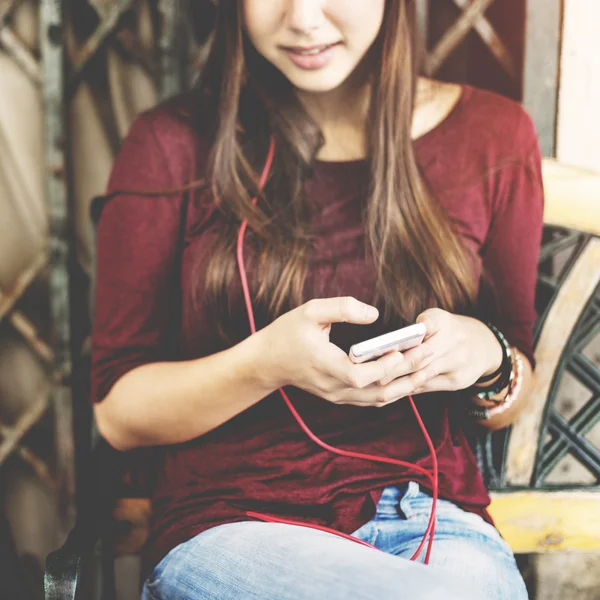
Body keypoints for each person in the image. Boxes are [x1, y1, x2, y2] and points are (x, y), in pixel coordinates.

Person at [91, 0, 543, 598]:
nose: (303, 19)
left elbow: (512, 387)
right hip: (234, 523)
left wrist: (486, 354)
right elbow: (118, 415)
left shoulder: (494, 134)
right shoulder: (172, 142)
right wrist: (265, 365)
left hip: (432, 518)